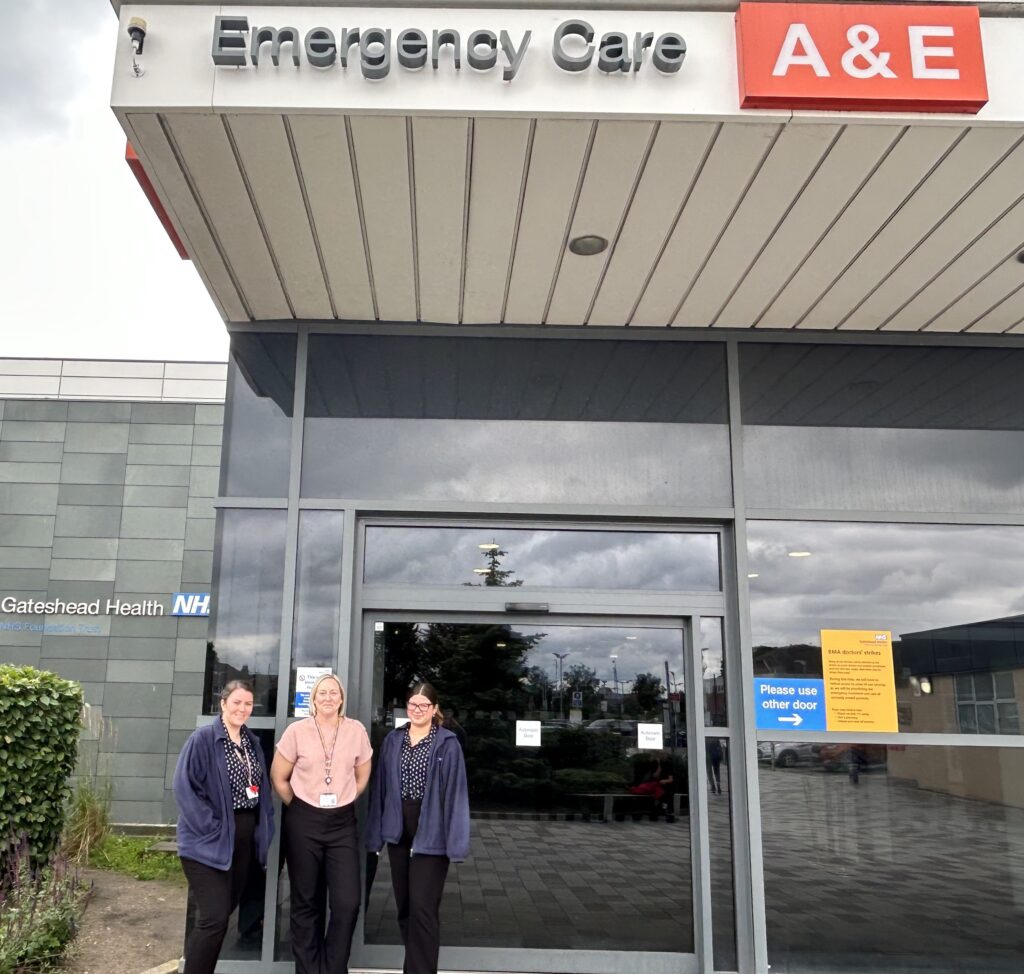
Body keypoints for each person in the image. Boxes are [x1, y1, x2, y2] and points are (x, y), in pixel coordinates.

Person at [365, 683, 470, 974]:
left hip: (432, 831)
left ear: (435, 709)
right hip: (399, 827)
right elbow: (381, 789)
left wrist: (456, 842)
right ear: (406, 708)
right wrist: (375, 838)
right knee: (406, 907)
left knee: (423, 907)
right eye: (413, 704)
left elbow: (456, 794)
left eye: (424, 705)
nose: (418, 710)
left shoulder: (447, 743)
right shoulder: (393, 740)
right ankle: (417, 964)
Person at [270, 674, 372, 974]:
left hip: (341, 822)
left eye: (334, 693)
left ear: (341, 699)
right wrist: (301, 805)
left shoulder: (356, 730)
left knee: (347, 902)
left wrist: (345, 796)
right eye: (322, 693)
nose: (328, 698)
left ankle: (333, 967)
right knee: (305, 901)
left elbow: (362, 774)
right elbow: (279, 778)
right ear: (313, 699)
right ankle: (308, 969)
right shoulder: (296, 731)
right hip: (304, 821)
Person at [173, 680, 275, 974]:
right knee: (214, 918)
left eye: (247, 704)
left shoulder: (251, 742)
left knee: (221, 915)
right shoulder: (203, 739)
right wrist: (211, 827)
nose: (242, 709)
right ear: (223, 703)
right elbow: (184, 787)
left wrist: (262, 829)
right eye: (237, 703)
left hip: (241, 842)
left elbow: (261, 789)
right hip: (207, 842)